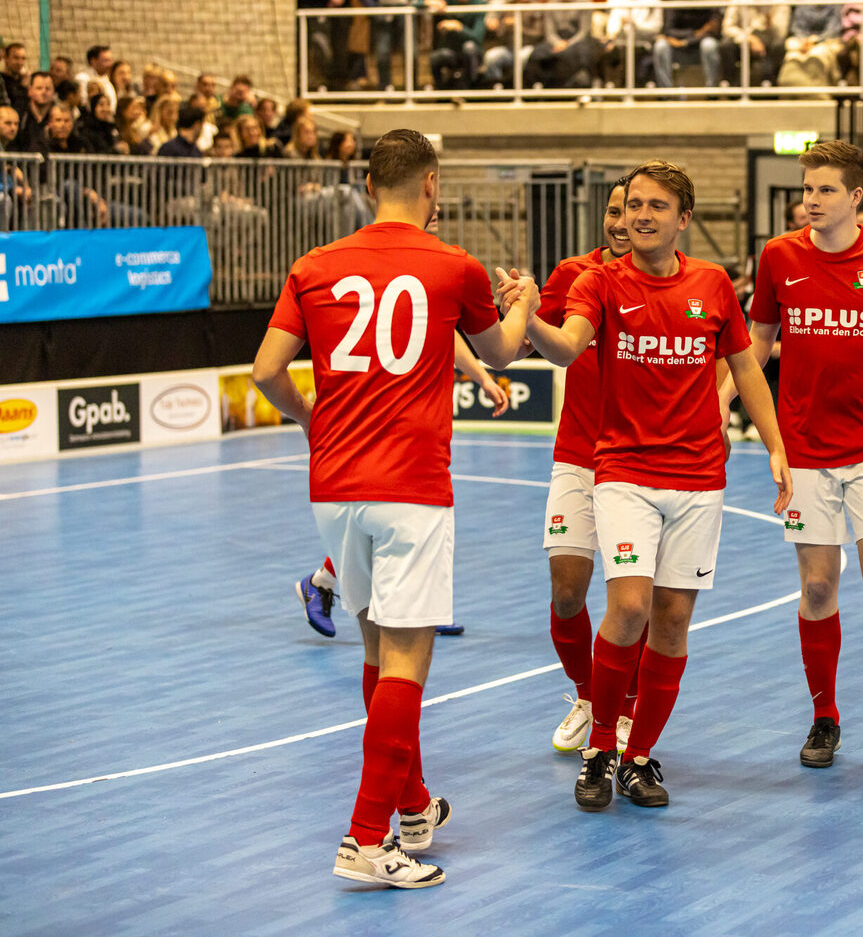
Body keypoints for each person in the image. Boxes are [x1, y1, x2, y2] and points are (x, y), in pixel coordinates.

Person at [252, 129, 537, 888]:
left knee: (378, 654)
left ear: (369, 185)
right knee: (407, 660)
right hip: (411, 484)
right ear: (431, 184)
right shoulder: (454, 265)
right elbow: (503, 351)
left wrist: (311, 418)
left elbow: (268, 371)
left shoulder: (314, 265)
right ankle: (364, 839)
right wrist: (527, 304)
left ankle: (412, 807)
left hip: (334, 486)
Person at [506, 159, 791, 810]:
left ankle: (637, 757)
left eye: (654, 206)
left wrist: (775, 445)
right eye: (632, 204)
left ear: (683, 218)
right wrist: (528, 314)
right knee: (628, 606)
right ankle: (600, 746)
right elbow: (566, 347)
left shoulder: (712, 284)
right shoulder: (598, 282)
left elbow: (746, 368)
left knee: (671, 623)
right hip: (623, 470)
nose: (638, 216)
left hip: (698, 476)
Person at [729, 140, 863, 772]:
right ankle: (825, 717)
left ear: (856, 196)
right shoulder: (779, 255)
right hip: (805, 449)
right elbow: (756, 344)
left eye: (824, 190)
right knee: (818, 586)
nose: (811, 201)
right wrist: (718, 402)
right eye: (806, 189)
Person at [295, 334, 512, 640]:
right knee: (392, 514)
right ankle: (327, 584)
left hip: (413, 420)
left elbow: (447, 333)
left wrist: (483, 378)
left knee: (412, 516)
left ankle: (414, 605)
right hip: (378, 422)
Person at [534, 181, 638, 752]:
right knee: (567, 592)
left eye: (635, 209)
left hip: (643, 462)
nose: (622, 221)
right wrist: (519, 310)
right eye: (614, 210)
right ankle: (590, 696)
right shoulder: (573, 274)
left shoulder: (674, 281)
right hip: (578, 454)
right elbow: (526, 345)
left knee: (632, 601)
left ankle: (626, 708)